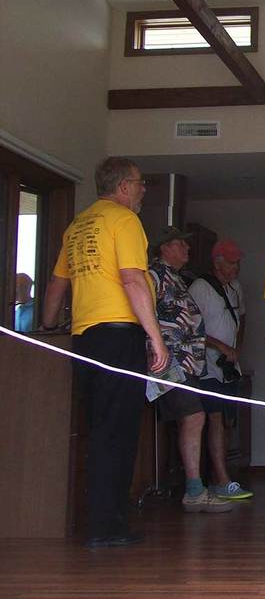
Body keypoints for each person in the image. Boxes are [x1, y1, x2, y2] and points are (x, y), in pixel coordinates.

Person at [40, 157, 170, 548]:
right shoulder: (123, 220)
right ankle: (108, 527)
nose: (144, 189)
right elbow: (132, 279)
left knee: (98, 431)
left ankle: (100, 522)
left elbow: (56, 285)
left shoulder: (77, 226)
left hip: (85, 339)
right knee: (119, 433)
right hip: (118, 336)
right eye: (140, 182)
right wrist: (156, 337)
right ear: (124, 187)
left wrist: (48, 327)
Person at [148, 226, 232, 514]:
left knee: (193, 417)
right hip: (170, 363)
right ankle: (194, 489)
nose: (187, 249)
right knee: (194, 415)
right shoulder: (154, 275)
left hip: (188, 363)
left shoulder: (179, 278)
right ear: (164, 248)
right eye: (180, 244)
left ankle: (193, 487)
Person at [188, 238, 253, 500]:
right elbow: (191, 328)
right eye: (232, 261)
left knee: (226, 421)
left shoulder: (235, 288)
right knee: (214, 418)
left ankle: (220, 476)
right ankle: (221, 479)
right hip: (207, 367)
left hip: (229, 367)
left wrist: (236, 347)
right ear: (218, 263)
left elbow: (243, 318)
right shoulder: (200, 288)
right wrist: (222, 347)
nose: (237, 266)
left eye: (238, 261)